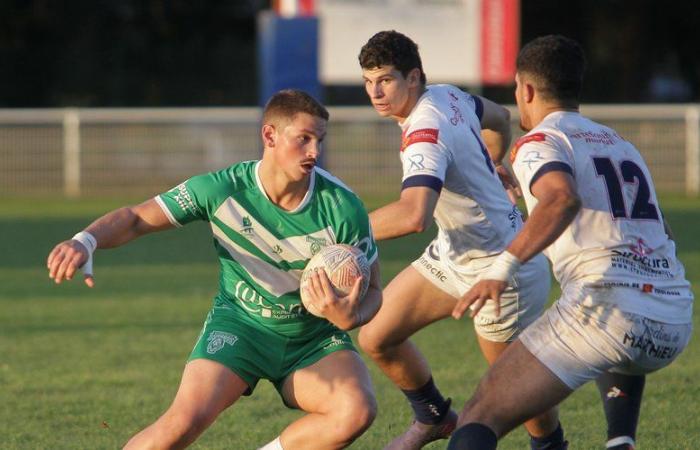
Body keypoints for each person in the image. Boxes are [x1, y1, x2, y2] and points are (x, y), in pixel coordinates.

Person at [46, 89, 384, 450]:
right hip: (241, 327)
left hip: (312, 339)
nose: (315, 152)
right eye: (304, 139)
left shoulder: (343, 208)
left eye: (320, 139)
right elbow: (136, 218)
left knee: (355, 411)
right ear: (269, 136)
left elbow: (376, 289)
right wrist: (85, 240)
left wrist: (353, 315)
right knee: (180, 425)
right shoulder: (222, 188)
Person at [448, 35, 694, 450]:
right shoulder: (621, 145)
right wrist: (529, 206)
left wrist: (498, 271)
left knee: (479, 415)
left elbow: (562, 198)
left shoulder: (540, 141)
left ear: (525, 90)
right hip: (674, 317)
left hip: (609, 311)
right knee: (619, 313)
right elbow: (656, 232)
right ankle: (621, 439)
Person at [356, 30, 565, 450]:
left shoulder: (424, 132)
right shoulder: (448, 95)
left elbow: (413, 214)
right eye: (368, 81)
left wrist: (337, 232)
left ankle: (551, 446)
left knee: (514, 395)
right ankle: (433, 417)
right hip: (454, 254)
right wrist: (494, 161)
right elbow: (502, 117)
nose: (375, 92)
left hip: (502, 266)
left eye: (386, 80)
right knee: (376, 334)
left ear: (413, 77)